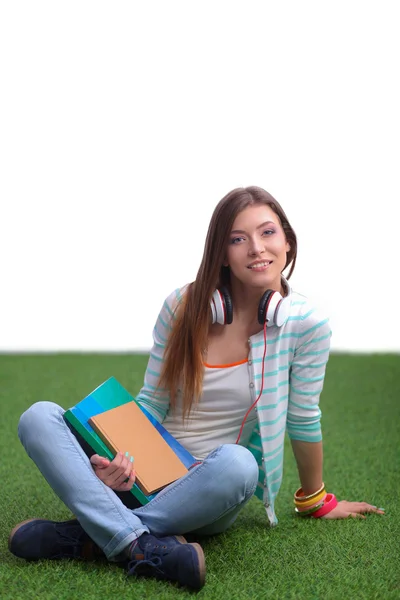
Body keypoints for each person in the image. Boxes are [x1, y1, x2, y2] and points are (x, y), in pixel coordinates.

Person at [9, 186, 384, 591]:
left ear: (288, 243)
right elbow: (151, 402)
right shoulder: (183, 305)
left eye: (268, 233)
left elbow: (304, 415)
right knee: (39, 417)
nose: (256, 248)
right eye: (238, 239)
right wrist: (119, 461)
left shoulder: (307, 325)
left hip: (211, 485)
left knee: (241, 464)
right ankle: (136, 544)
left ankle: (91, 535)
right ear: (222, 253)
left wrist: (316, 499)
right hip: (142, 477)